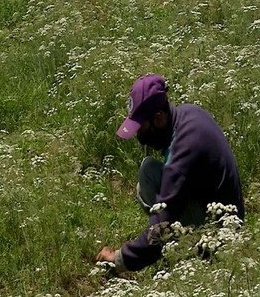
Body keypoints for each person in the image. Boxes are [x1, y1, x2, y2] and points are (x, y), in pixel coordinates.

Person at [95, 74, 244, 272]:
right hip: (215, 205)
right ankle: (182, 244)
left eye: (141, 128)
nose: (139, 136)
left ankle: (193, 252)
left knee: (157, 208)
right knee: (148, 172)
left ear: (158, 118)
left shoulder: (182, 153)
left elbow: (161, 225)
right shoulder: (187, 113)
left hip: (221, 230)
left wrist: (119, 258)